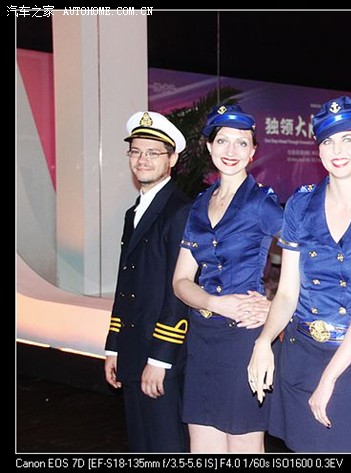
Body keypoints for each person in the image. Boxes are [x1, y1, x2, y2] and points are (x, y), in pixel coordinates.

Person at [247, 96, 351, 452]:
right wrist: (264, 340)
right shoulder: (301, 204)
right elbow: (287, 292)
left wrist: (329, 377)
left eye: (348, 139)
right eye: (328, 141)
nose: (337, 150)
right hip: (301, 355)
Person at [172, 104, 284, 452]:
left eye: (241, 143)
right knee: (202, 443)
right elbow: (181, 281)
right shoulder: (199, 204)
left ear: (253, 152)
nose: (231, 151)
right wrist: (214, 303)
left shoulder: (261, 203)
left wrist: (276, 305)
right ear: (209, 147)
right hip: (203, 337)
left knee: (243, 442)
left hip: (243, 339)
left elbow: (310, 260)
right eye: (222, 141)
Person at [104, 111, 192, 452]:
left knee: (166, 445)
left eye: (153, 152)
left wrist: (160, 360)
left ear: (172, 159)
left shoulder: (179, 211)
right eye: (136, 151)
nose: (142, 159)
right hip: (133, 349)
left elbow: (179, 292)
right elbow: (125, 284)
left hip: (160, 356)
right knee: (141, 445)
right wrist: (114, 346)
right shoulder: (135, 212)